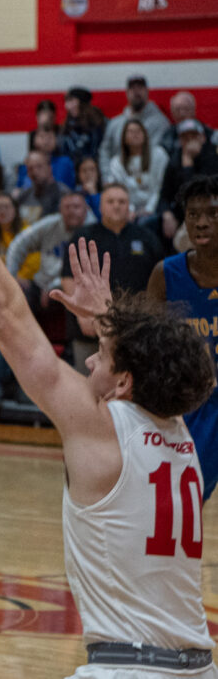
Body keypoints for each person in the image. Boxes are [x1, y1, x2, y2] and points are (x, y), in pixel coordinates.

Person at [0, 121, 217, 679]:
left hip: (128, 670)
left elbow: (9, 319)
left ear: (125, 382)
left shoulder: (101, 431)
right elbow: (149, 362)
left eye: (102, 357)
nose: (89, 358)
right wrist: (111, 321)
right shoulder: (180, 426)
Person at [149, 175, 218, 501]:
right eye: (193, 215)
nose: (202, 223)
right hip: (191, 402)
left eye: (213, 214)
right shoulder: (166, 274)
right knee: (183, 500)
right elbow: (145, 346)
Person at [60, 183, 164, 371]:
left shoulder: (147, 237)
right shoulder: (83, 236)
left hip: (136, 328)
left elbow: (161, 281)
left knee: (132, 388)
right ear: (100, 206)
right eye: (110, 201)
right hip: (91, 325)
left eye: (122, 201)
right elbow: (68, 277)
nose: (116, 205)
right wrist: (81, 314)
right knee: (88, 389)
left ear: (129, 206)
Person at [6, 191, 91, 317]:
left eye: (76, 207)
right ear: (60, 210)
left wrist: (55, 285)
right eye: (67, 207)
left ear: (86, 210)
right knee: (16, 297)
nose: (71, 211)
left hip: (78, 286)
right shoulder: (50, 224)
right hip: (42, 284)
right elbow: (18, 245)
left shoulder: (94, 229)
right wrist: (10, 278)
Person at [98, 74, 174, 177]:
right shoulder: (115, 124)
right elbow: (105, 152)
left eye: (140, 88)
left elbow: (158, 158)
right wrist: (108, 178)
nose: (136, 92)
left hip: (148, 183)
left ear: (147, 92)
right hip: (118, 181)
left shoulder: (160, 123)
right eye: (132, 88)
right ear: (127, 93)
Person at [159, 116, 218, 245]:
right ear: (180, 140)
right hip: (181, 213)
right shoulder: (174, 160)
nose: (190, 141)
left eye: (194, 136)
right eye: (185, 137)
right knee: (153, 224)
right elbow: (164, 195)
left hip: (209, 212)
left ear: (202, 137)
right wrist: (167, 214)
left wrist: (188, 165)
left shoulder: (213, 157)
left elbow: (198, 195)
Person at [104, 118, 169, 221]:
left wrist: (149, 209)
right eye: (130, 131)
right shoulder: (116, 163)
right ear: (124, 137)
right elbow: (120, 190)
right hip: (128, 211)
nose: (135, 134)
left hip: (156, 208)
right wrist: (130, 210)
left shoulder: (158, 155)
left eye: (138, 131)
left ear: (145, 134)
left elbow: (160, 187)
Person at [15, 150, 70, 227]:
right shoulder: (24, 194)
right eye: (30, 168)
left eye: (39, 166)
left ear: (49, 168)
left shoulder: (62, 193)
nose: (35, 172)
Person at [58, 86, 105, 166]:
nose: (67, 106)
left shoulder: (96, 124)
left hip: (91, 168)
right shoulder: (66, 127)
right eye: (66, 102)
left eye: (71, 101)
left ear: (82, 102)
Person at [76, 156, 102, 220]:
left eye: (92, 170)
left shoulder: (107, 193)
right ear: (78, 175)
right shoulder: (74, 194)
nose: (88, 173)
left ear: (98, 173)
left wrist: (93, 194)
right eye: (84, 171)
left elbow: (102, 217)